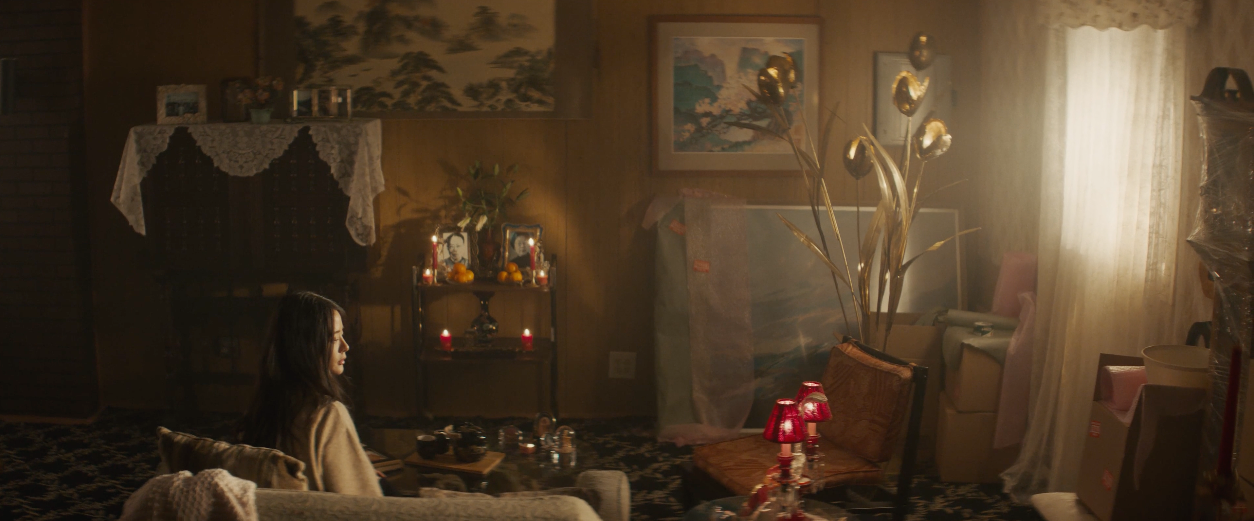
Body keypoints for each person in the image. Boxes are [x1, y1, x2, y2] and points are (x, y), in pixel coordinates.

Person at [235, 291, 382, 497]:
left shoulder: (262, 409)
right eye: (334, 338)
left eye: (342, 335)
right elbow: (366, 502)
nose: (345, 346)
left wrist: (355, 467)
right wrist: (362, 475)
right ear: (306, 347)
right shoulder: (327, 414)